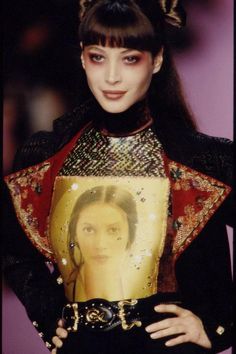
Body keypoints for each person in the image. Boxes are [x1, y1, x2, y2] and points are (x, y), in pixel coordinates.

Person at [3, 0, 233, 354]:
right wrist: (47, 312)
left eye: (129, 58)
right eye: (98, 57)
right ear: (82, 57)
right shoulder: (45, 155)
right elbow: (14, 250)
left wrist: (218, 327)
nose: (112, 76)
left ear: (156, 60)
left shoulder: (203, 159)